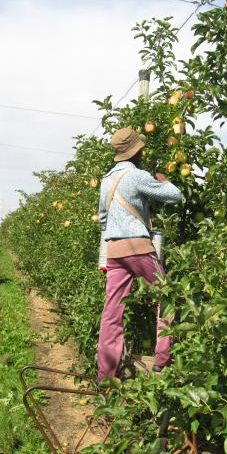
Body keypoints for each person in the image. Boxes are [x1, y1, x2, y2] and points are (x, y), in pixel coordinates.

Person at [97, 126, 182, 382]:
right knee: (166, 296)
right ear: (136, 153)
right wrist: (164, 182)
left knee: (112, 312)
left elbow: (103, 219)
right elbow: (174, 196)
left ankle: (105, 375)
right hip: (138, 248)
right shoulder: (137, 176)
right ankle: (162, 361)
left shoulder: (106, 181)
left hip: (114, 251)